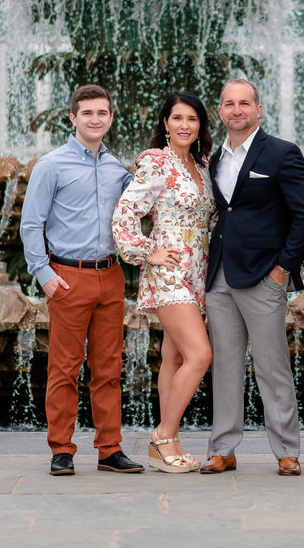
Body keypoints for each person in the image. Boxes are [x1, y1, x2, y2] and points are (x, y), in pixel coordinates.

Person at [19, 84, 145, 477]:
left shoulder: (116, 170)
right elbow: (30, 223)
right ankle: (62, 449)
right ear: (72, 118)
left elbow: (139, 208)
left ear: (110, 118)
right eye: (87, 113)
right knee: (65, 369)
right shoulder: (51, 165)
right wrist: (45, 275)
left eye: (102, 113)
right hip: (68, 277)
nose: (95, 119)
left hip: (110, 276)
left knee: (108, 369)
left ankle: (110, 449)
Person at [200, 78, 304, 477]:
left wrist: (282, 269)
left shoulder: (281, 153)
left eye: (245, 103)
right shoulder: (213, 159)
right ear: (220, 111)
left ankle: (287, 451)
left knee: (272, 367)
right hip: (219, 277)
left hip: (263, 278)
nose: (237, 110)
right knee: (226, 366)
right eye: (229, 103)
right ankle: (223, 449)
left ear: (258, 109)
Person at [112, 91, 216, 473]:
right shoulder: (157, 163)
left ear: (200, 125)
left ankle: (167, 442)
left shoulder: (202, 167)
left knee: (174, 357)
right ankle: (163, 435)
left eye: (192, 119)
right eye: (177, 118)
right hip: (169, 271)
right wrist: (146, 253)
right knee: (200, 355)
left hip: (198, 272)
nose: (185, 125)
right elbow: (124, 215)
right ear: (165, 125)